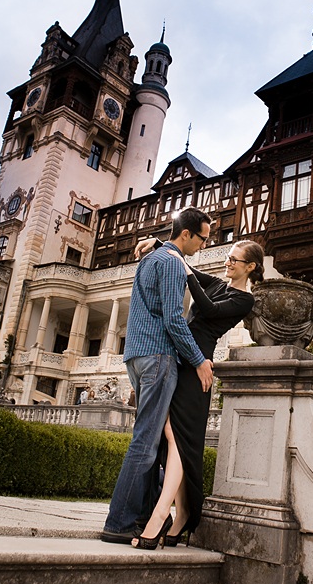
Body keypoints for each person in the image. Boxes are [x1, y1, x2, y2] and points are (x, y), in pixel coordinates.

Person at [131, 237, 265, 550]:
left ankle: (163, 515)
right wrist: (162, 243)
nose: (228, 262)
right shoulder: (220, 281)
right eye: (229, 257)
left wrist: (185, 271)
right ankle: (184, 514)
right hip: (183, 359)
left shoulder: (245, 299)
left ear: (251, 267)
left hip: (198, 367)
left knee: (177, 435)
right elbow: (186, 266)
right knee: (171, 434)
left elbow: (205, 305)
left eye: (235, 259)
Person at [100, 206, 213, 545]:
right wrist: (198, 360)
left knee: (151, 440)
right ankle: (118, 523)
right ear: (186, 235)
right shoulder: (170, 263)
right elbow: (173, 320)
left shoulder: (150, 259)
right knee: (146, 443)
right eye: (203, 239)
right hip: (158, 357)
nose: (204, 245)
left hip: (135, 355)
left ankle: (141, 517)